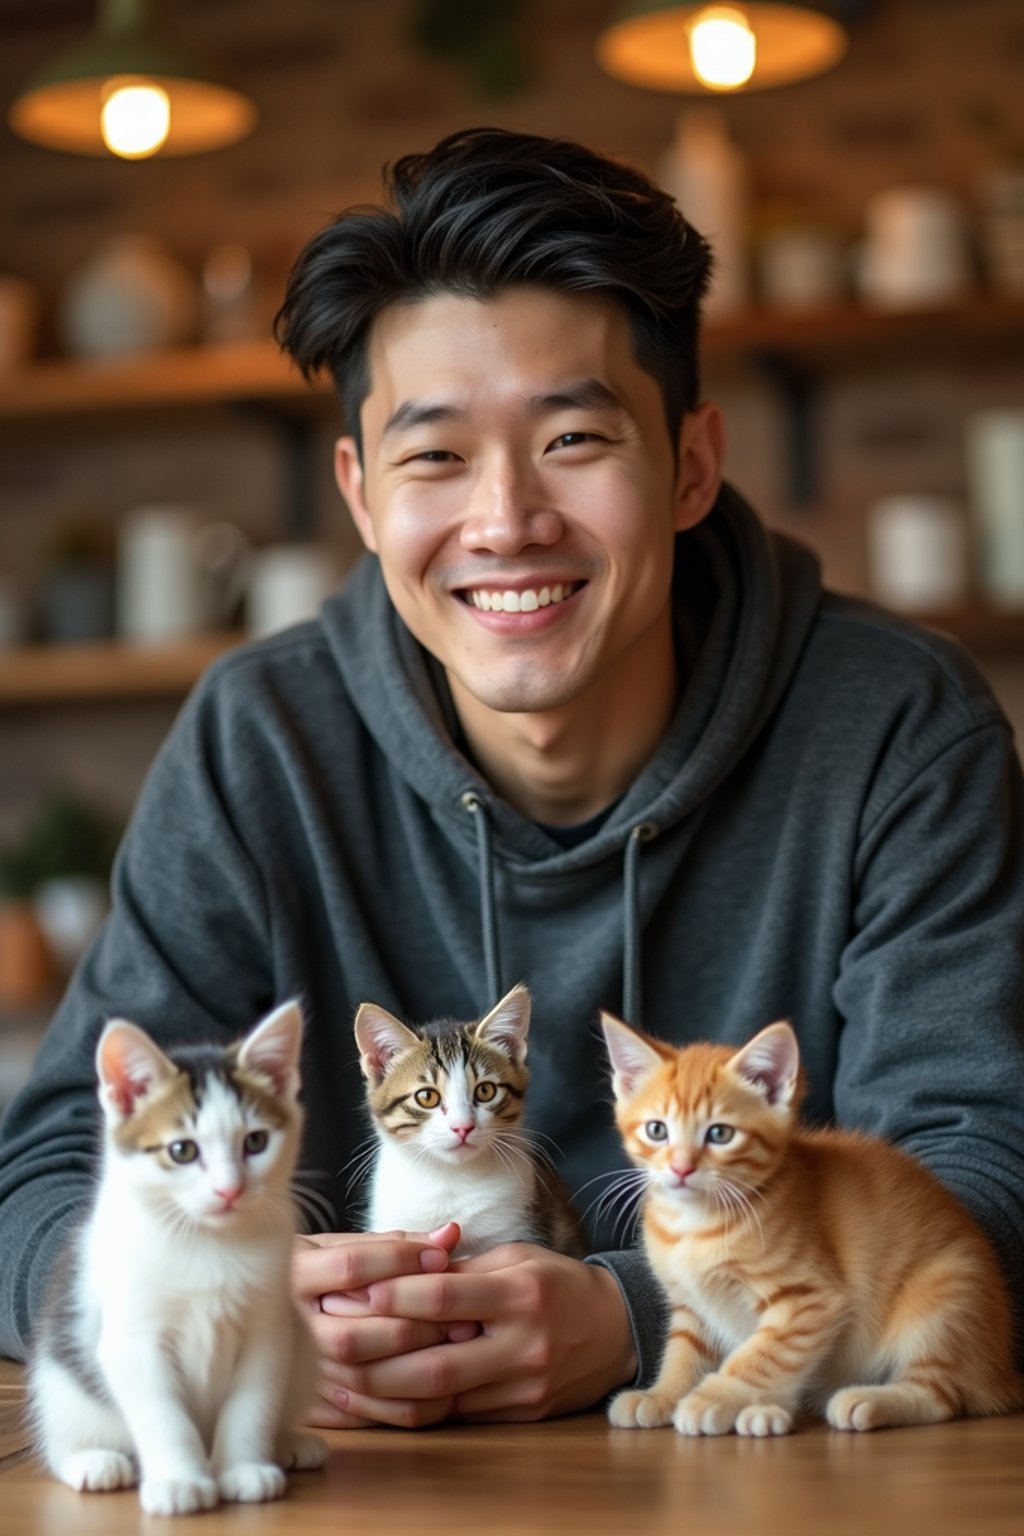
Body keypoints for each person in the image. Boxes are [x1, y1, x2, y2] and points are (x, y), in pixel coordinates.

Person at [1, 126, 1023, 1430]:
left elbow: (983, 1178)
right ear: (362, 496)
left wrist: (639, 1315)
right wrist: (230, 1285)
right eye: (435, 456)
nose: (504, 520)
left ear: (691, 465)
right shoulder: (260, 737)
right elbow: (38, 1179)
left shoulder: (896, 725)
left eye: (573, 439)